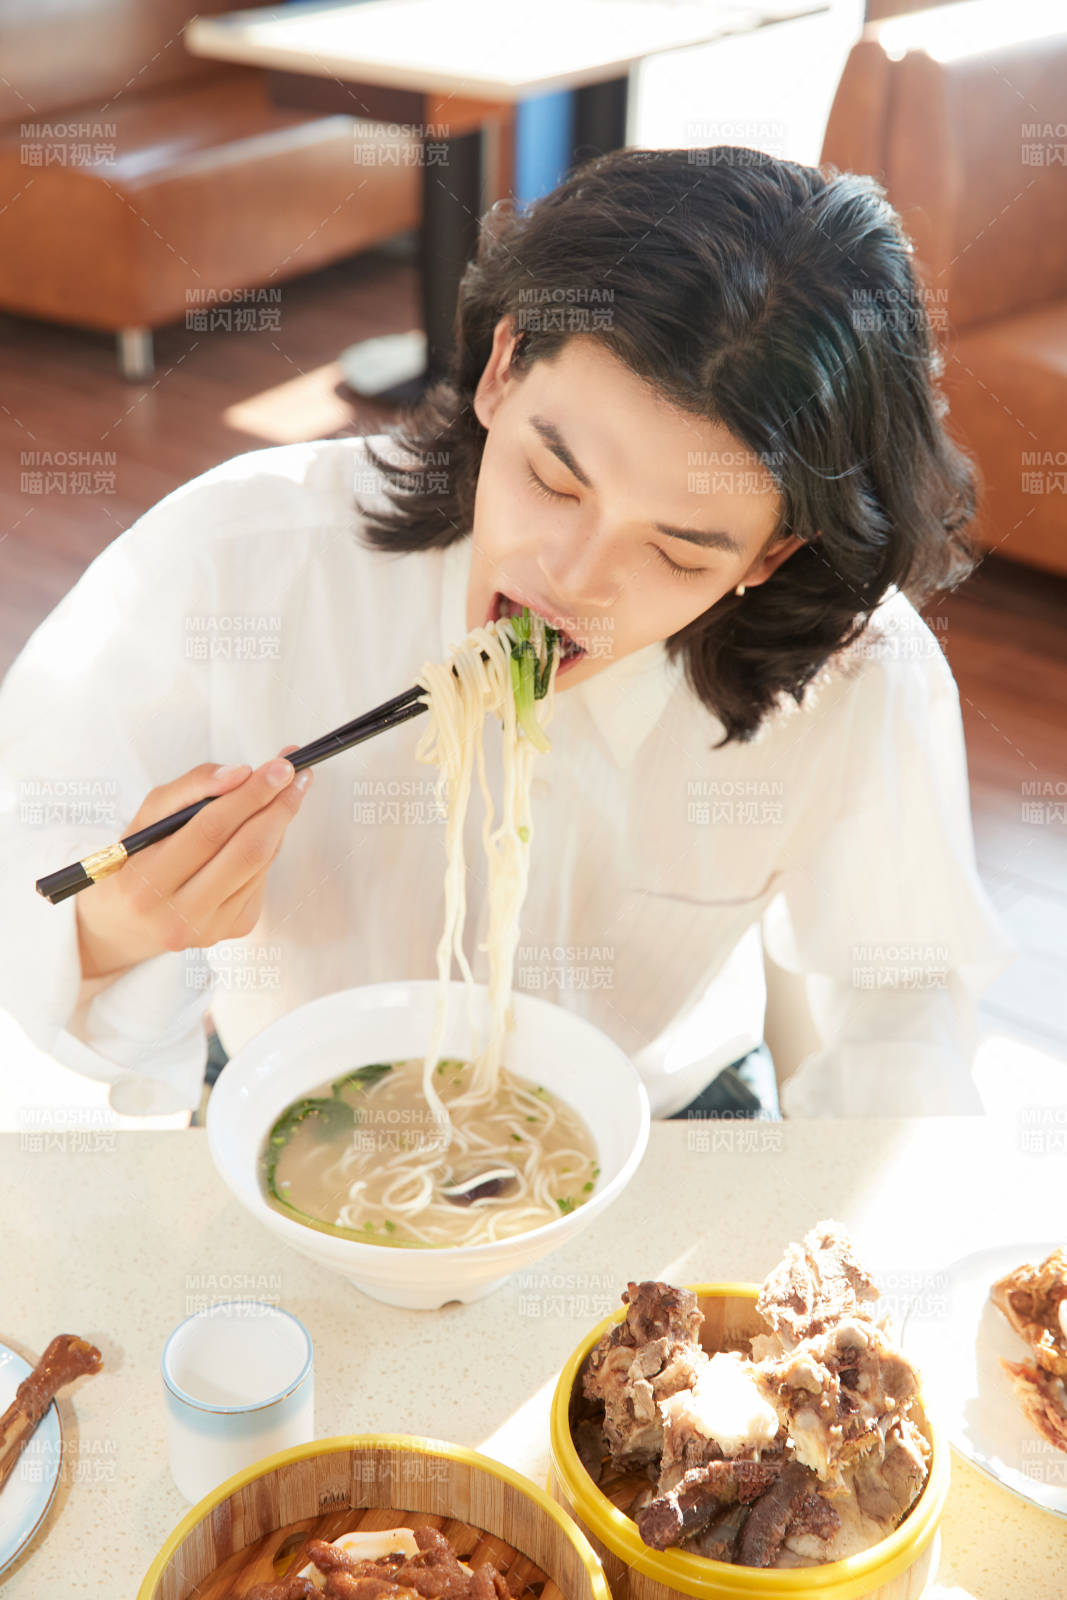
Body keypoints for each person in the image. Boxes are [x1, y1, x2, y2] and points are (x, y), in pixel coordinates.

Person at [0, 147, 1016, 1119]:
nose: (572, 580)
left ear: (768, 558)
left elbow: (901, 1003)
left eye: (674, 553)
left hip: (662, 1118)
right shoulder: (245, 556)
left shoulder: (850, 677)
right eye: (552, 477)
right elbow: (28, 873)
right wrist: (120, 925)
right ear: (501, 367)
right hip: (292, 1091)